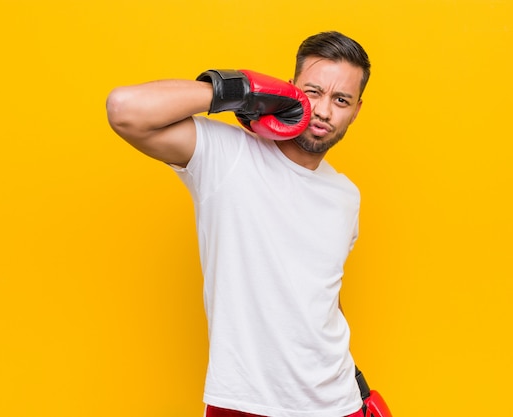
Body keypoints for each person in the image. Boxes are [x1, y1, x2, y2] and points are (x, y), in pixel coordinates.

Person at [106, 31, 371, 417]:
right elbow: (124, 108)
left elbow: (324, 293)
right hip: (246, 402)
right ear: (291, 88)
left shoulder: (346, 196)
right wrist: (241, 89)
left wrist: (358, 384)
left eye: (341, 99)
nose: (325, 111)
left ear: (356, 110)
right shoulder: (227, 156)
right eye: (313, 92)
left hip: (339, 402)